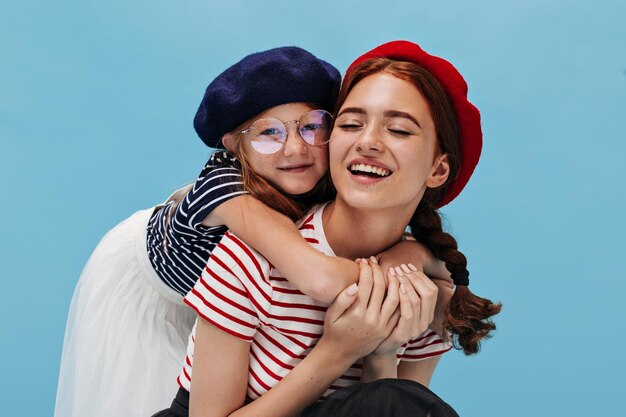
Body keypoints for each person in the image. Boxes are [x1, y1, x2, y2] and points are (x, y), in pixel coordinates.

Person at [55, 46, 448, 417]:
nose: (295, 149)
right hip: (146, 281)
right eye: (269, 133)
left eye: (313, 127)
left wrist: (388, 339)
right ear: (233, 146)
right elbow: (321, 277)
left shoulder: (322, 182)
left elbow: (392, 399)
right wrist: (403, 277)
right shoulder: (230, 198)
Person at [154, 40, 501, 417]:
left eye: (399, 130)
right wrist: (339, 351)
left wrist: (382, 353)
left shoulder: (421, 293)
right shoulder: (255, 249)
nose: (368, 142)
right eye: (351, 124)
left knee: (394, 401)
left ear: (438, 170)